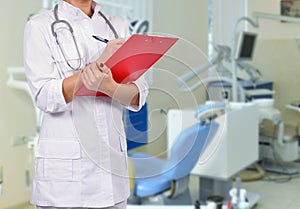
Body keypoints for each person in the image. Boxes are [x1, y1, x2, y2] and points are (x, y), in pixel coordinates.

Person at [24, 0, 148, 209]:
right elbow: (44, 96)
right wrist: (90, 72)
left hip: (111, 177)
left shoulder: (117, 26)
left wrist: (109, 86)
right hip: (65, 181)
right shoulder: (39, 27)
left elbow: (138, 94)